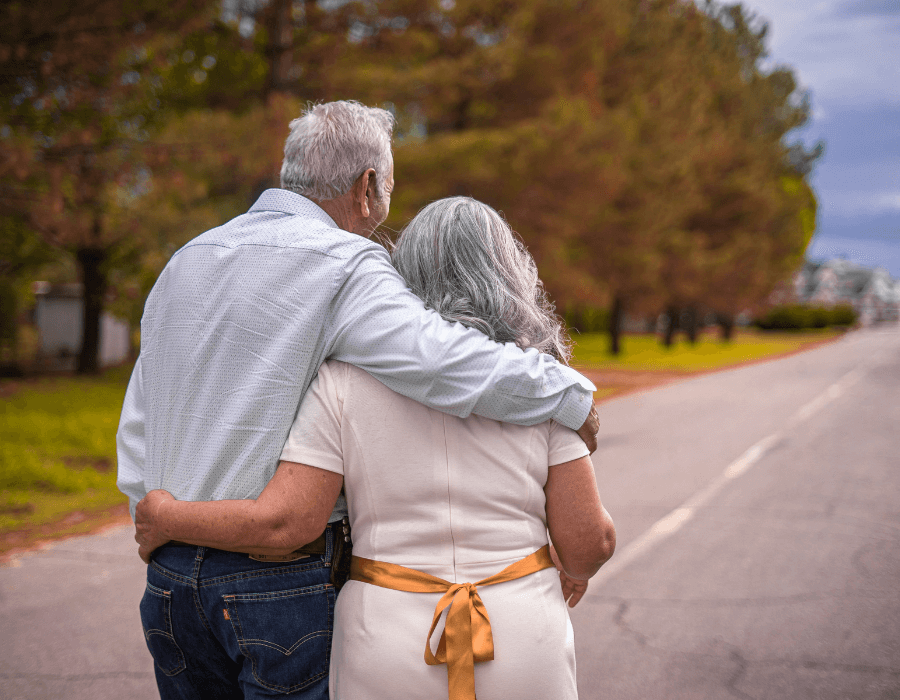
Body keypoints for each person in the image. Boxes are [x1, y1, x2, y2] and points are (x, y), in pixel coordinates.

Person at [117, 101, 600, 700]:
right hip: (275, 585)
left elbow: (141, 417)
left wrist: (157, 516)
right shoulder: (347, 264)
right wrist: (568, 391)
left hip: (168, 580)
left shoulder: (185, 261)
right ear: (367, 187)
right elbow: (441, 360)